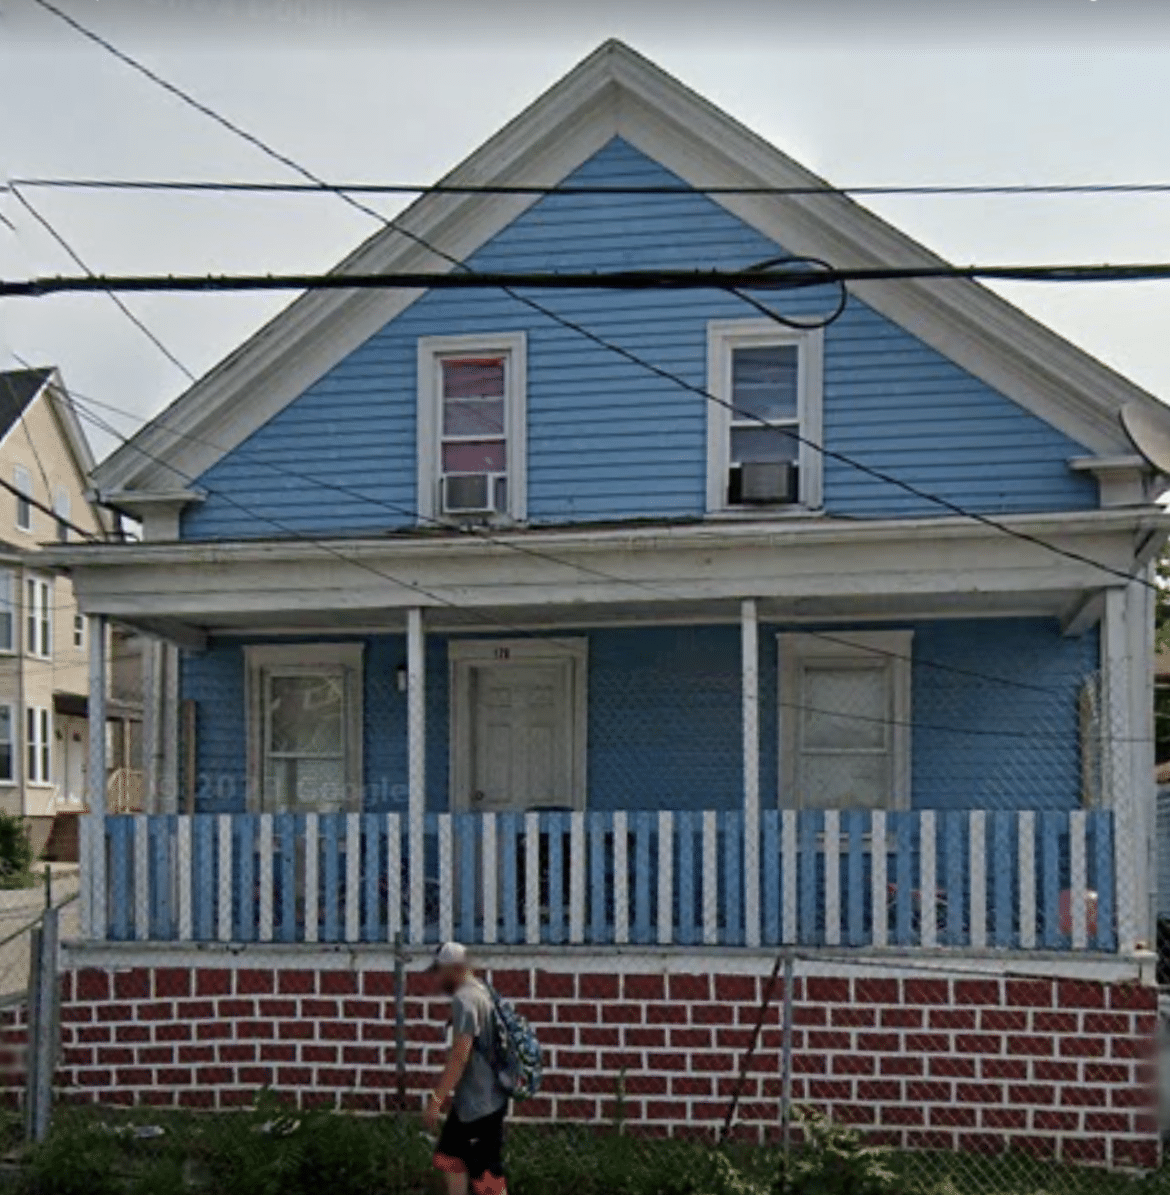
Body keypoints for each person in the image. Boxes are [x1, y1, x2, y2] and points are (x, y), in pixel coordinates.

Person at [424, 941, 509, 1195]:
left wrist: (437, 1100)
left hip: (480, 1104)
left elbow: (460, 1056)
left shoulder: (465, 999)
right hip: (478, 1100)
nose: (438, 979)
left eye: (440, 971)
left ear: (454, 969)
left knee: (488, 1178)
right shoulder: (483, 990)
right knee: (451, 1157)